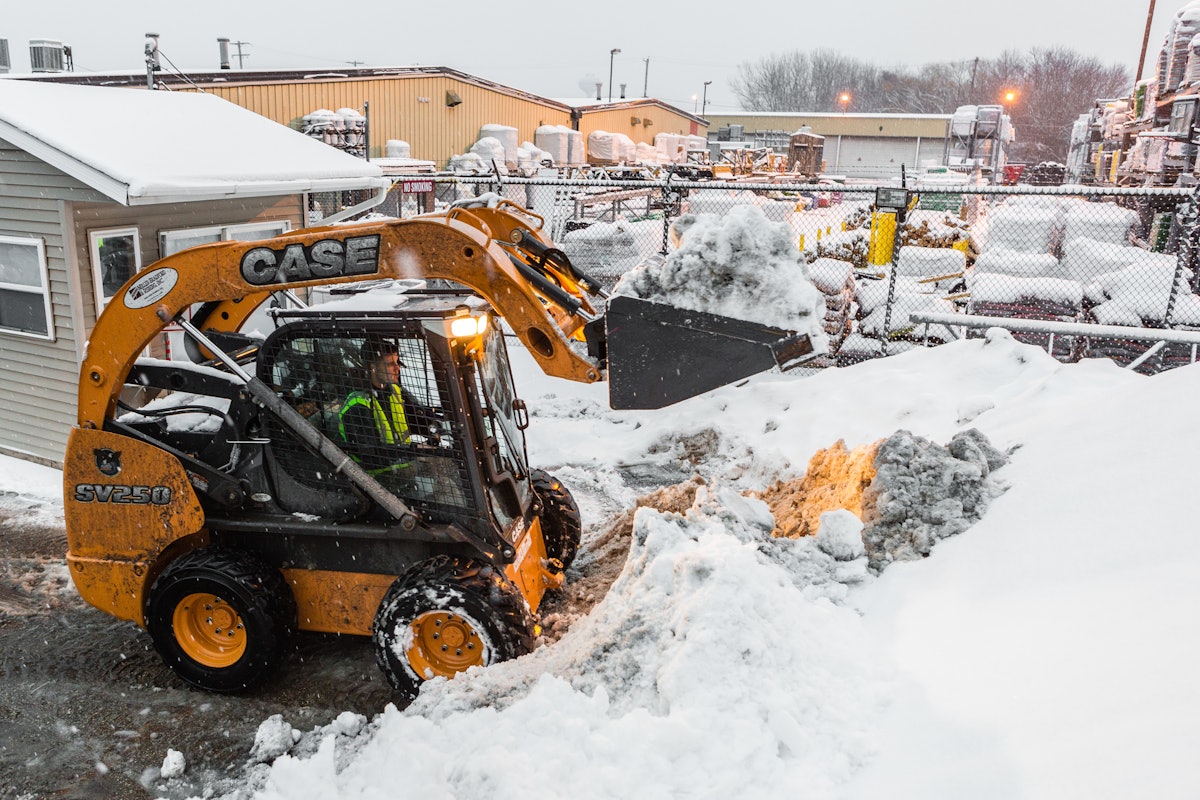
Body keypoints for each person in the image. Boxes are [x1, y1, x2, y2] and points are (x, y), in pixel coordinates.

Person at [338, 340, 421, 486]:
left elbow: (417, 418)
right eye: (390, 364)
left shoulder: (394, 391)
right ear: (373, 367)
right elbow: (370, 454)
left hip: (403, 471)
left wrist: (434, 426)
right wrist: (411, 451)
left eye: (397, 362)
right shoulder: (358, 404)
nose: (397, 368)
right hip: (376, 482)